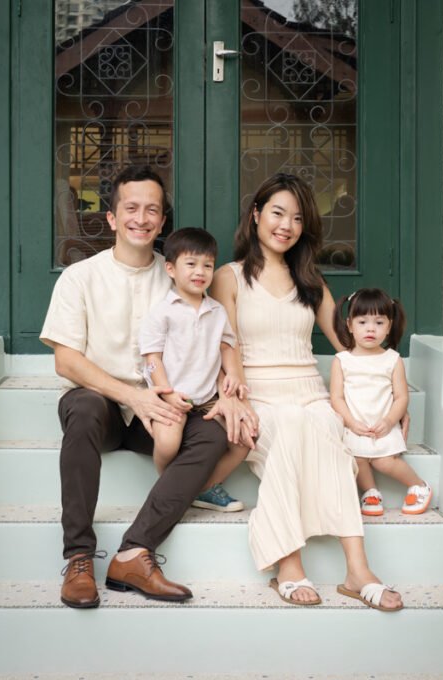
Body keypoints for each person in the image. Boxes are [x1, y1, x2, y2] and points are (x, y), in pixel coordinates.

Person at [40, 165, 253, 609]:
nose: (142, 218)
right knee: (82, 407)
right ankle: (79, 557)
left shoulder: (181, 272)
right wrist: (134, 396)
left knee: (214, 431)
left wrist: (229, 394)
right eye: (131, 208)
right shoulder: (80, 278)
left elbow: (215, 338)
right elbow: (66, 360)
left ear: (161, 220)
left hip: (167, 408)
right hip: (106, 404)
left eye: (152, 210)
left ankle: (135, 553)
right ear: (113, 218)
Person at [207, 172, 404, 611]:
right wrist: (235, 394)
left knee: (324, 426)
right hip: (258, 391)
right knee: (292, 427)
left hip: (310, 390)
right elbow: (227, 342)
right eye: (277, 213)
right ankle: (288, 564)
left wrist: (395, 393)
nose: (286, 225)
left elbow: (347, 343)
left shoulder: (309, 280)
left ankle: (358, 571)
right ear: (256, 214)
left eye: (297, 218)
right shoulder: (230, 276)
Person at [138, 227, 250, 511]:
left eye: (208, 265)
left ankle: (202, 488)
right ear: (171, 269)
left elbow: (227, 347)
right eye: (191, 264)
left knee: (243, 440)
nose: (200, 271)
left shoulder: (216, 311)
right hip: (174, 393)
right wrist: (166, 393)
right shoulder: (162, 311)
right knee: (167, 443)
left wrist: (234, 373)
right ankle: (170, 483)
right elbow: (152, 358)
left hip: (208, 396)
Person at [329, 288, 432, 517]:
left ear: (389, 326)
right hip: (355, 424)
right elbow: (336, 397)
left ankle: (418, 485)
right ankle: (370, 492)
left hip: (383, 425)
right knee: (357, 459)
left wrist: (389, 421)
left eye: (378, 322)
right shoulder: (342, 361)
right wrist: (351, 422)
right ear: (349, 325)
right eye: (362, 321)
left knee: (383, 462)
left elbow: (401, 396)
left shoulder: (392, 359)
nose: (370, 328)